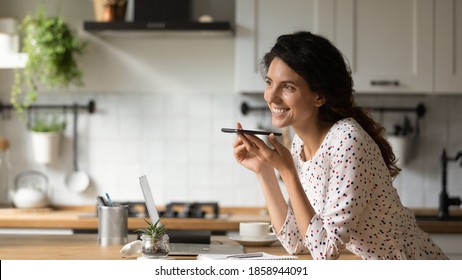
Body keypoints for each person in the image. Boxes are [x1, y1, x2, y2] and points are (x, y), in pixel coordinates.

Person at [231, 31, 448, 260]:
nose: (271, 96)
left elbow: (324, 251)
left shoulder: (347, 141)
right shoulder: (299, 145)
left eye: (288, 87)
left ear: (319, 96)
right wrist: (264, 171)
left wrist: (288, 171)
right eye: (269, 82)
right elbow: (295, 242)